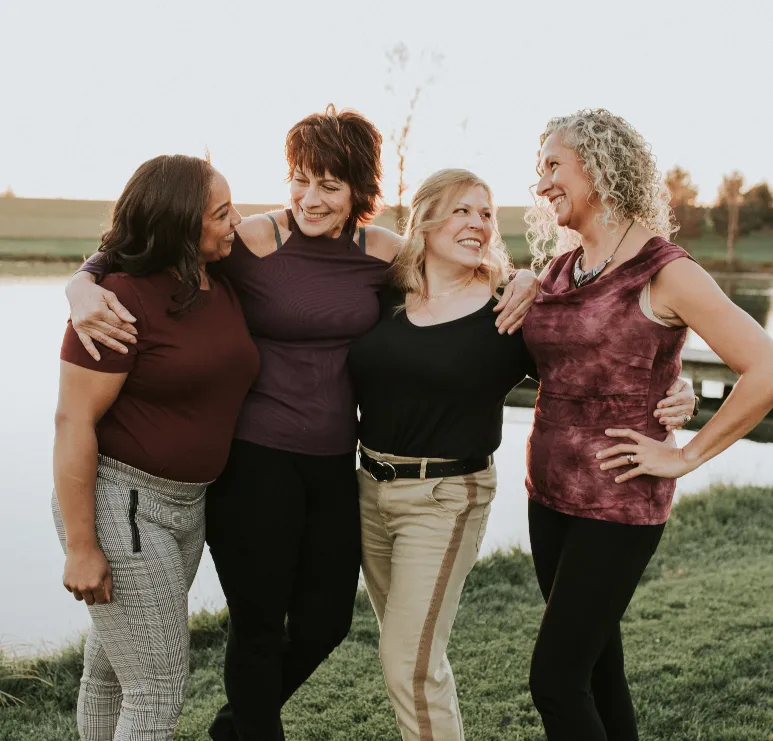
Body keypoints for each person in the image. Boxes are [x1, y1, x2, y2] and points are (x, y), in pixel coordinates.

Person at [63, 107, 537, 740]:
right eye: (300, 179)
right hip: (255, 461)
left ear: (359, 193)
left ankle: (235, 724)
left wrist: (526, 278)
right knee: (258, 627)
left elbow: (456, 274)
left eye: (330, 185)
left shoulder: (384, 256)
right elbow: (149, 242)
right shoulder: (251, 242)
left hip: (337, 460)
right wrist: (83, 282)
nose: (310, 199)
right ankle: (254, 728)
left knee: (326, 623)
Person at [347, 168, 696, 741]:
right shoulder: (385, 291)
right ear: (426, 219)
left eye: (486, 213)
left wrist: (670, 391)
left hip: (445, 499)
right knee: (411, 654)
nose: (478, 223)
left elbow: (593, 367)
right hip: (369, 491)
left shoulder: (508, 312)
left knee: (407, 664)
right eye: (462, 210)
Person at [522, 108, 773, 741]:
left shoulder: (666, 270)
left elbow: (765, 368)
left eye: (554, 165)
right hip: (547, 494)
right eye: (539, 168)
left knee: (553, 681)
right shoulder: (561, 266)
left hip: (619, 503)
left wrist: (685, 456)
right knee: (597, 672)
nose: (541, 182)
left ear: (601, 169)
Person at [53, 154, 260, 741]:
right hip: (123, 506)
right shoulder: (115, 303)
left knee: (111, 674)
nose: (235, 222)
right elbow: (72, 422)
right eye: (221, 214)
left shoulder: (216, 278)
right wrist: (82, 545)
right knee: (159, 687)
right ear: (178, 225)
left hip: (186, 507)